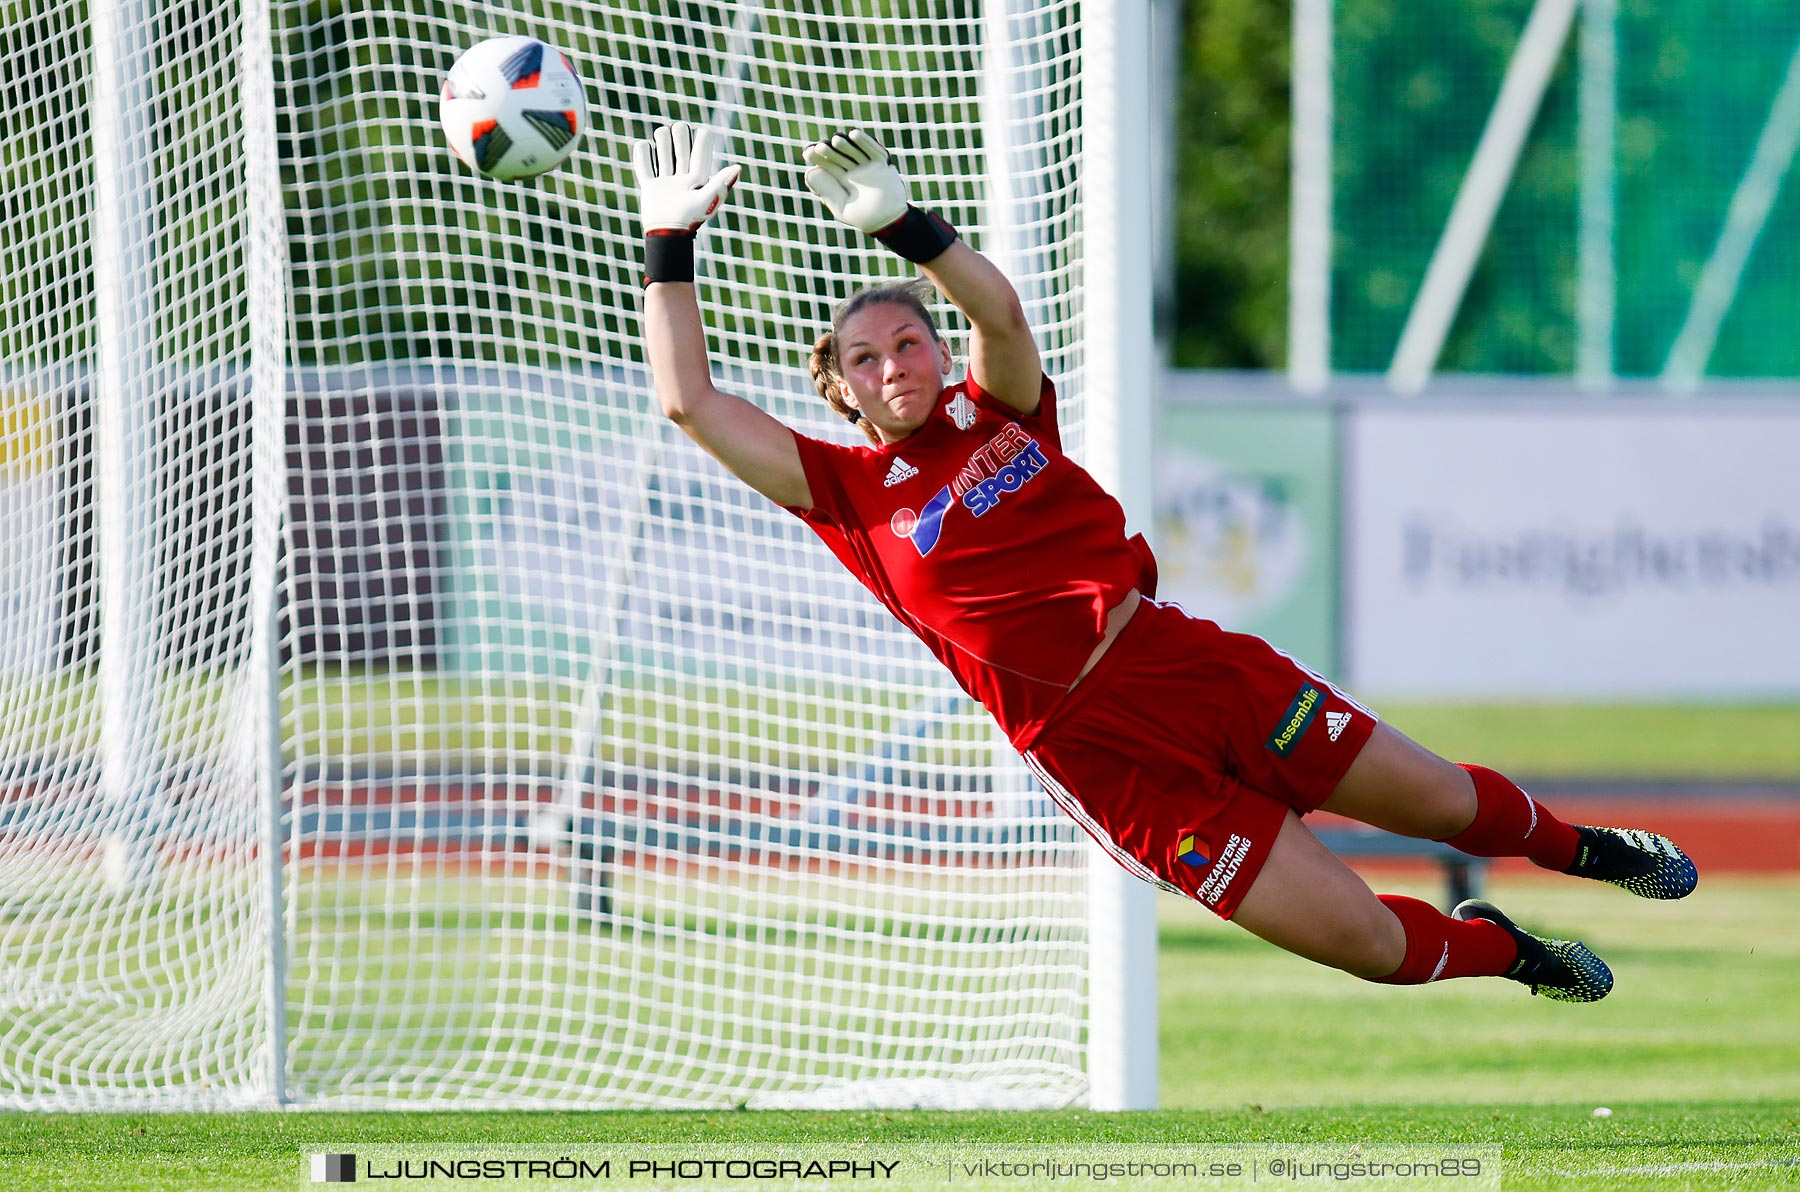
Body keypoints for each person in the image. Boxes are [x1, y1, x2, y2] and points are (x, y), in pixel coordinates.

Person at [631, 121, 1696, 1002]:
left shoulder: (996, 408)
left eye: (908, 343)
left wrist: (910, 229)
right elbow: (690, 401)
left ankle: (1582, 849)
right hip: (1105, 756)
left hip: (1192, 667)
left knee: (1443, 804)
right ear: (841, 390)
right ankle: (1507, 950)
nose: (892, 364)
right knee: (1373, 946)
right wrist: (669, 242)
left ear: (938, 354)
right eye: (864, 359)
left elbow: (999, 311)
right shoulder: (846, 495)